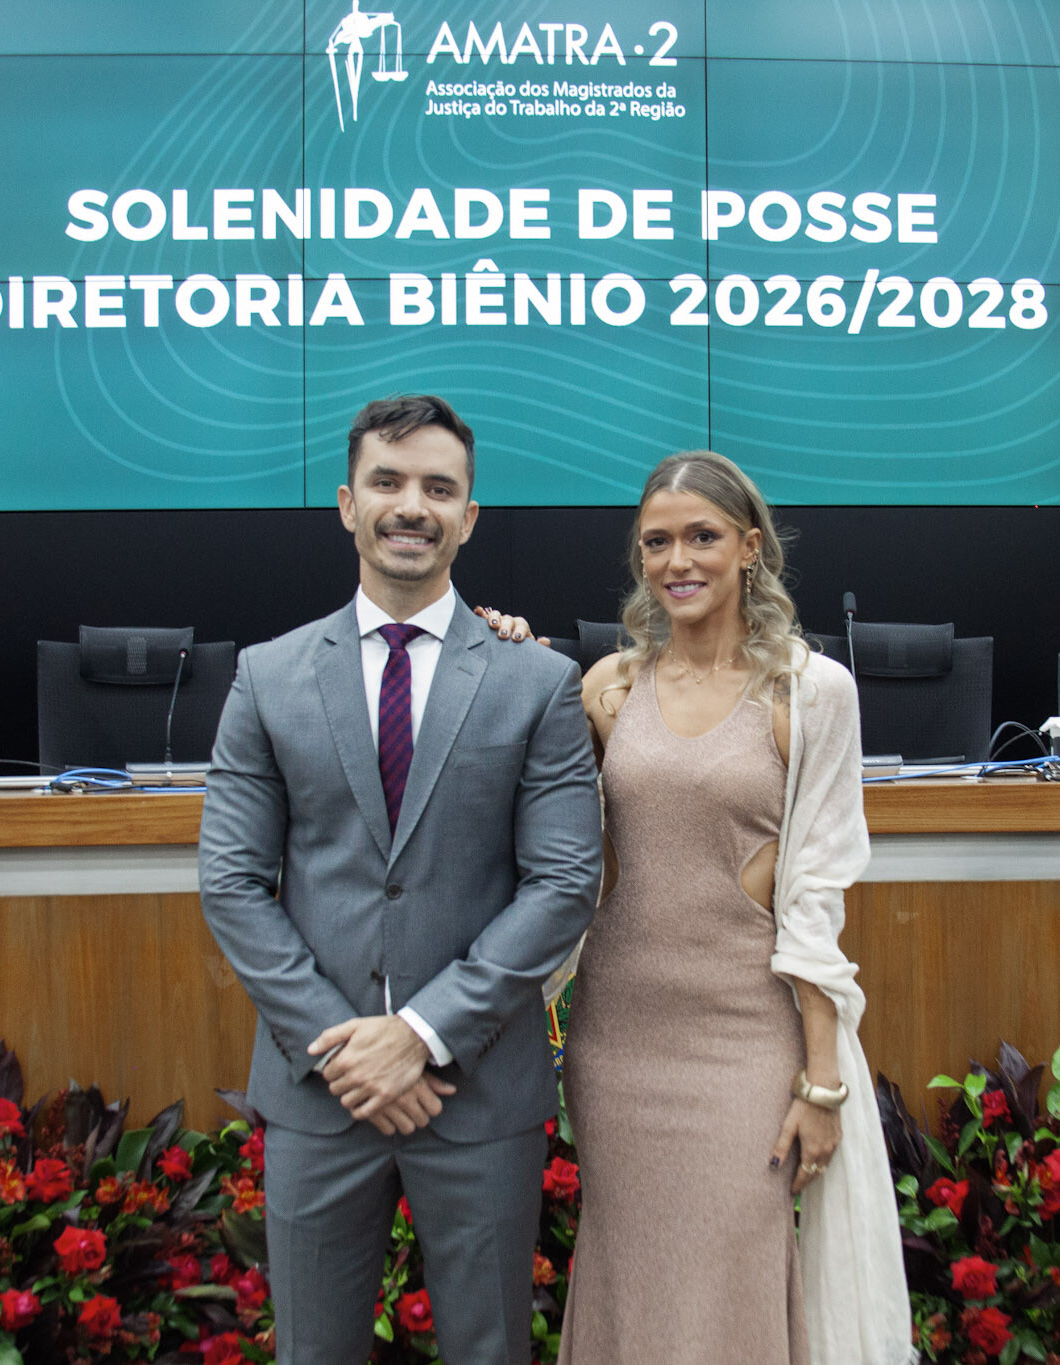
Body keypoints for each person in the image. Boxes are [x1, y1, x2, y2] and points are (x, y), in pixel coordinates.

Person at [198, 394, 603, 1365]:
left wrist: (419, 1036)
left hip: (477, 1091)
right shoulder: (267, 676)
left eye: (438, 487)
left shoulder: (537, 682)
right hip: (319, 1090)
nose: (411, 505)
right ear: (348, 504)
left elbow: (562, 883)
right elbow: (231, 882)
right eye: (387, 481)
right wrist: (346, 1052)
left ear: (470, 515)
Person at [486, 450, 911, 1365]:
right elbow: (536, 821)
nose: (676, 560)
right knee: (630, 1273)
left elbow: (816, 893)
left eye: (701, 536)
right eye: (656, 542)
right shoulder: (608, 686)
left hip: (746, 1039)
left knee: (731, 1277)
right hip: (618, 1039)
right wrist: (502, 654)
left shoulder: (811, 692)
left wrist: (822, 1083)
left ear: (750, 546)